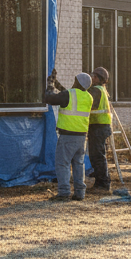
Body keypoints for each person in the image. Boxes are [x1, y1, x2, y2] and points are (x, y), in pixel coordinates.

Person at [44, 70, 93, 201]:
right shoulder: (88, 97)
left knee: (62, 164)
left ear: (77, 82)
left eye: (75, 80)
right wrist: (57, 84)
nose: (73, 82)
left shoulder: (69, 94)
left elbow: (49, 98)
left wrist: (50, 84)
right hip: (82, 137)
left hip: (67, 136)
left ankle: (64, 192)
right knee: (79, 164)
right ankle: (80, 193)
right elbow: (66, 94)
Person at [87, 65, 113, 193]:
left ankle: (103, 184)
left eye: (93, 76)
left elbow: (86, 103)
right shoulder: (101, 90)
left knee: (97, 156)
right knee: (97, 155)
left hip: (99, 127)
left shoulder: (96, 91)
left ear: (97, 78)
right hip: (100, 127)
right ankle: (101, 181)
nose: (91, 78)